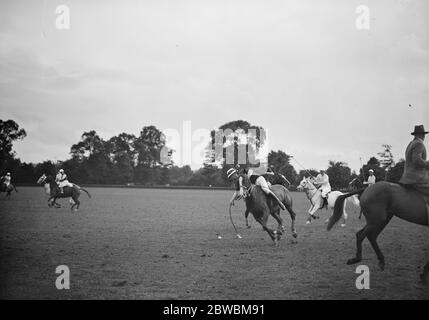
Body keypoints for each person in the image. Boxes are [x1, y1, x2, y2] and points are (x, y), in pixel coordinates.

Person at [399, 125, 429, 200]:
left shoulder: (411, 143)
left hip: (407, 176)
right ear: (421, 135)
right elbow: (417, 161)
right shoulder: (419, 144)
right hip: (416, 178)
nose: (424, 136)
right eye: (423, 134)